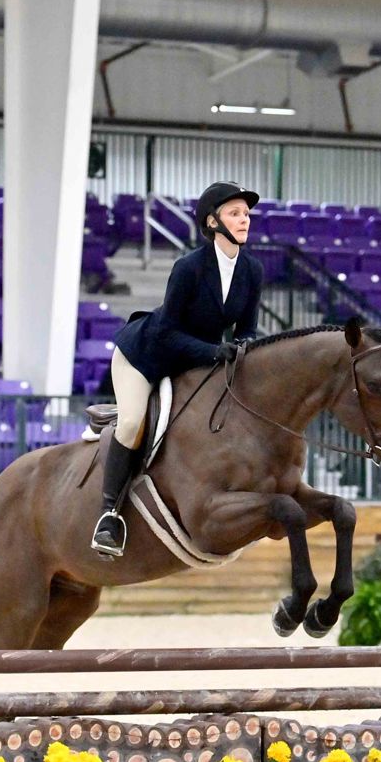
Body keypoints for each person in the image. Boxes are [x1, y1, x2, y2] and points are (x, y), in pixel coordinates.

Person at [92, 181, 264, 558]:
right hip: (147, 354)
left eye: (247, 214)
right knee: (135, 421)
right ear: (212, 221)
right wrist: (215, 351)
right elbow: (167, 332)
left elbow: (247, 328)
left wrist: (245, 347)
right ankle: (109, 516)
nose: (245, 219)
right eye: (235, 213)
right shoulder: (188, 267)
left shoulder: (252, 270)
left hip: (195, 358)